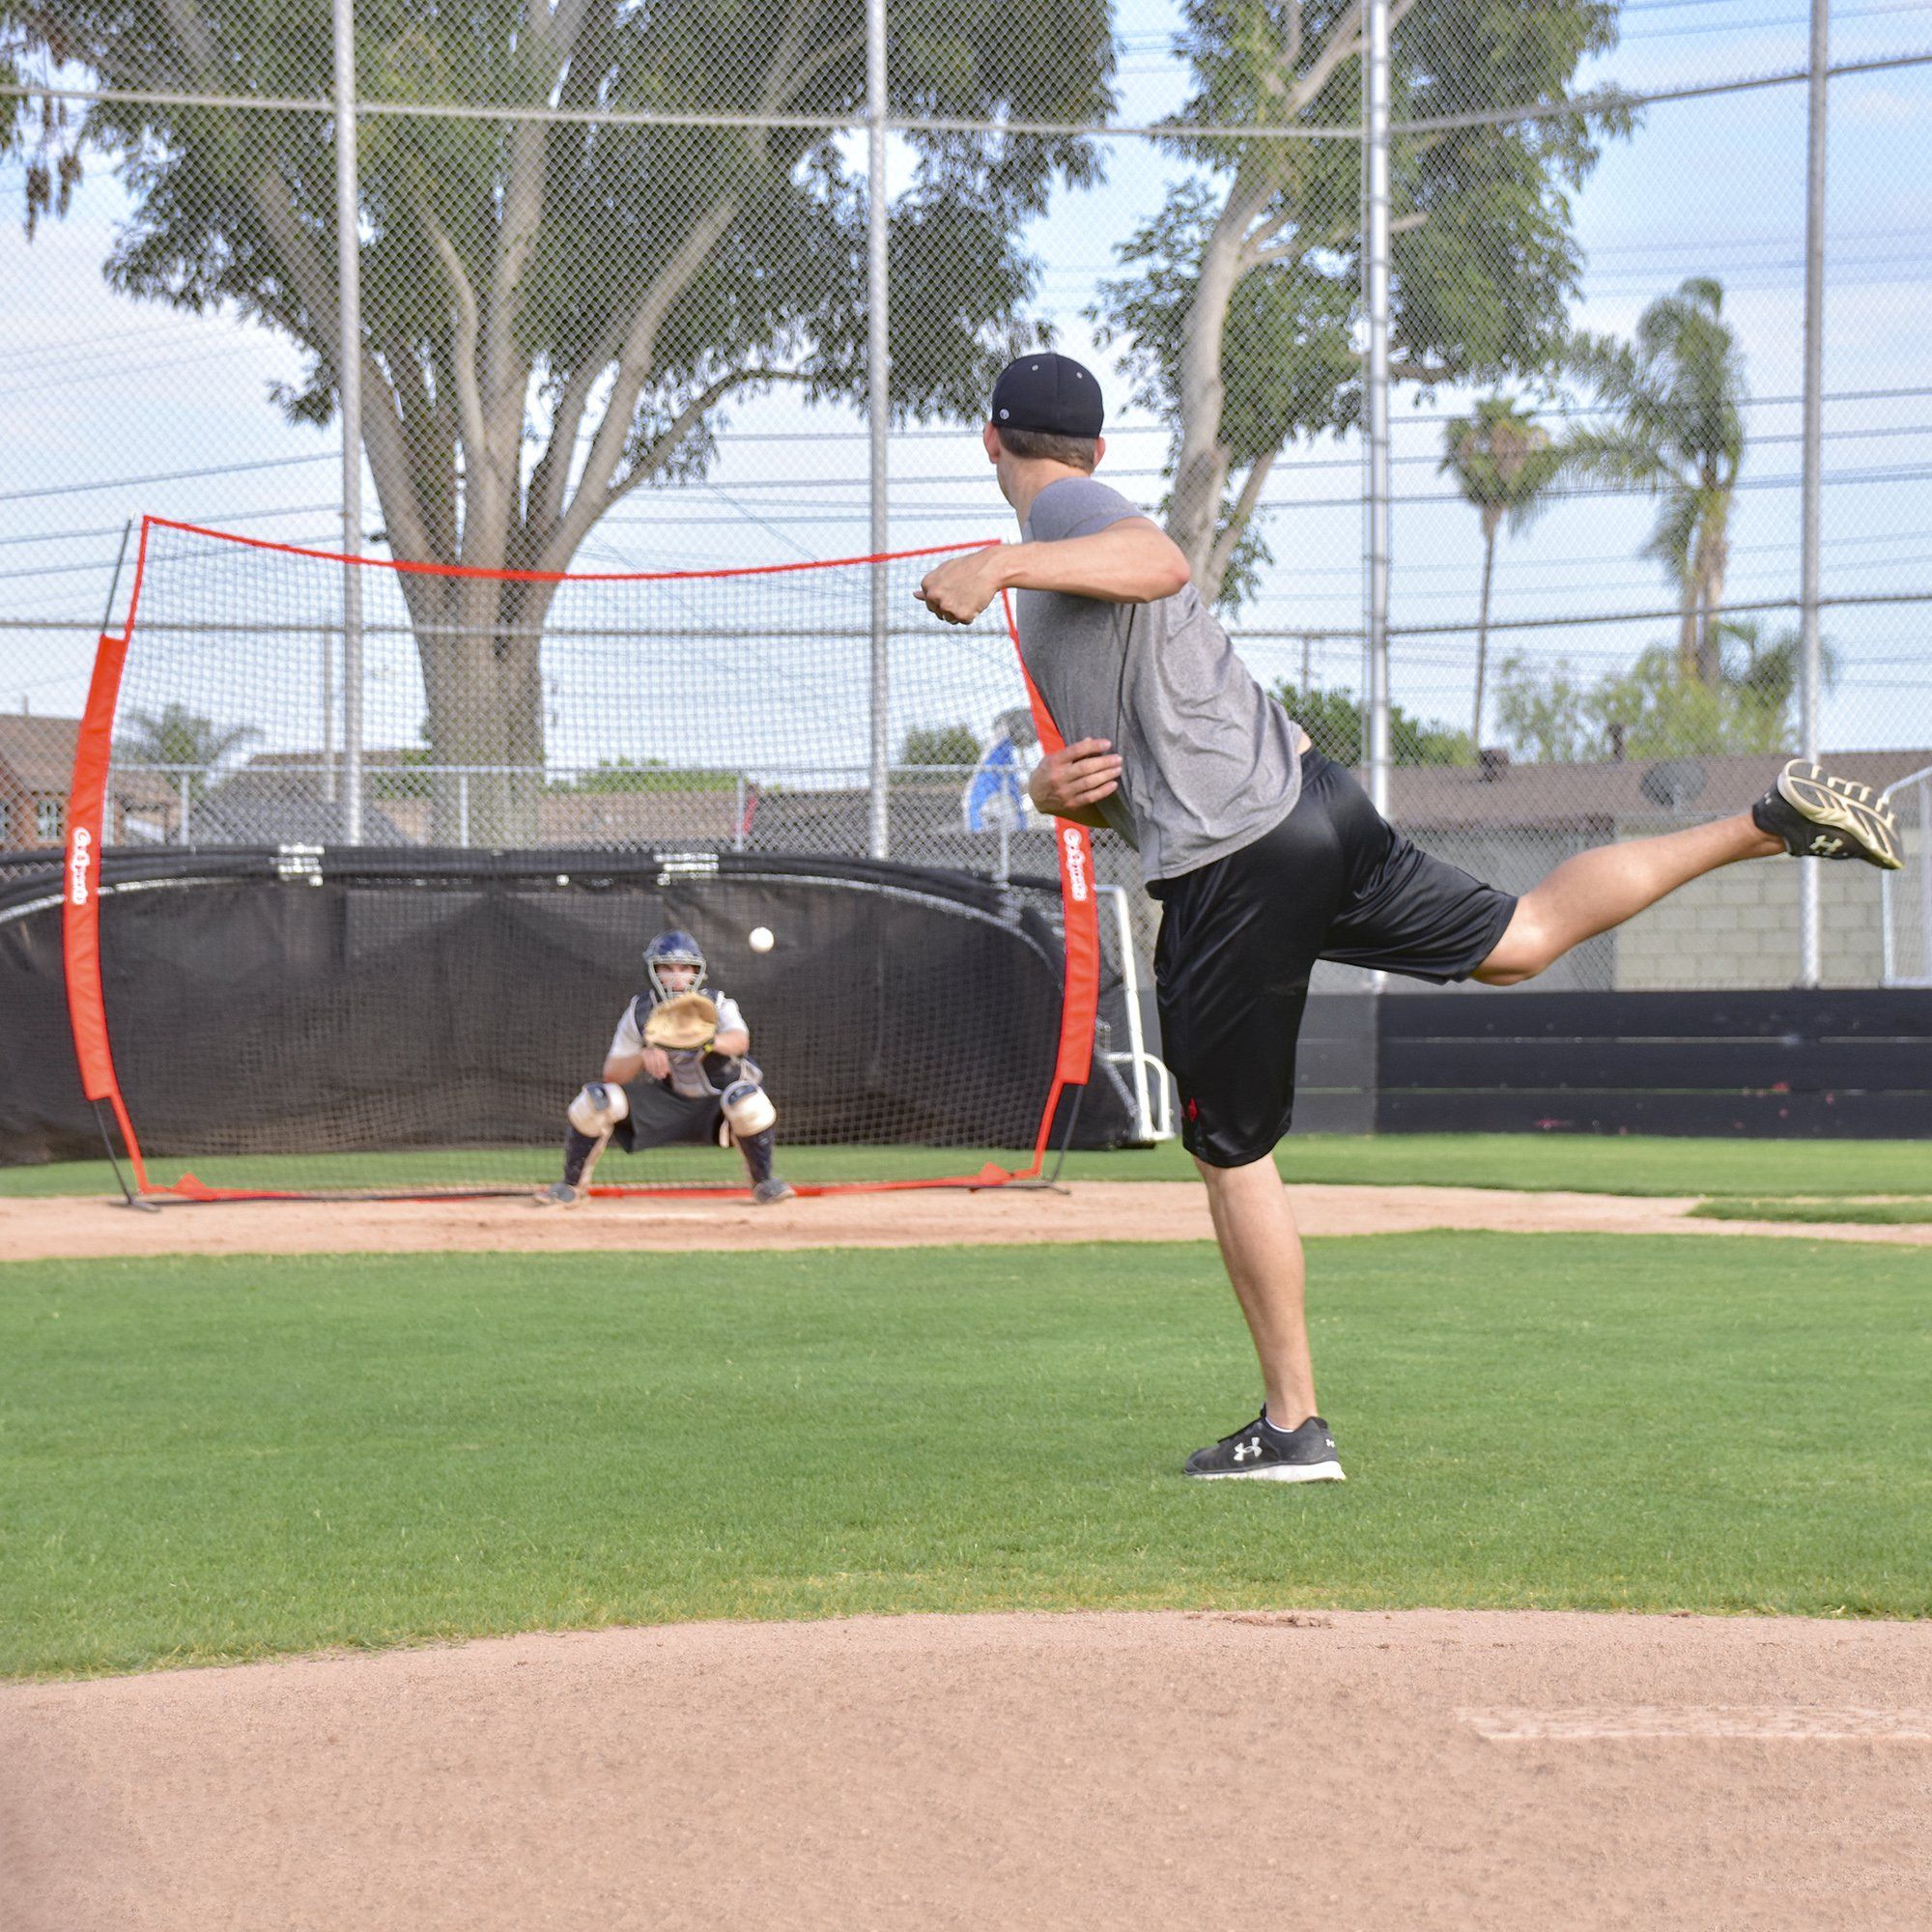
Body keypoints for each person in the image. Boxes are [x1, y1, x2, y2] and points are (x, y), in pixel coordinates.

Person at [915, 349, 1901, 1485]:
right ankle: (1764, 823)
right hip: (1310, 804)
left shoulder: (1063, 520)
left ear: (992, 441)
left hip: (1236, 856)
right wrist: (1055, 794)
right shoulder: (1064, 555)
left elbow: (1158, 556)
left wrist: (997, 560)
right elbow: (1128, 760)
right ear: (1094, 442)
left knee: (1231, 1150)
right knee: (1518, 940)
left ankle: (1292, 1427)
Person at [535, 928, 795, 1208]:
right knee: (595, 1100)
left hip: (718, 1103)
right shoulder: (640, 1011)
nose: (676, 977)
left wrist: (705, 1040)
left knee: (747, 1101)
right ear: (654, 972)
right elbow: (613, 1074)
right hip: (670, 1102)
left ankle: (763, 1182)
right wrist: (644, 1053)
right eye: (667, 968)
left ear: (697, 972)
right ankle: (571, 1186)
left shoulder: (717, 1003)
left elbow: (740, 1042)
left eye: (684, 968)